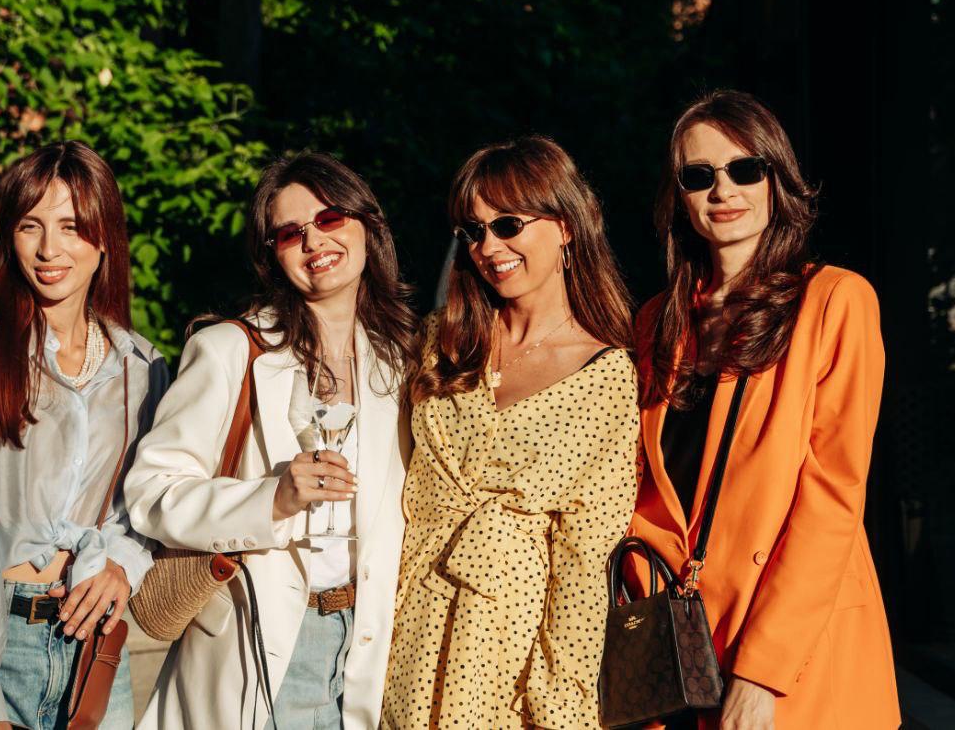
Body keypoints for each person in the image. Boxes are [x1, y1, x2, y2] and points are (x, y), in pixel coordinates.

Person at [628, 90, 899, 729]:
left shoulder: (834, 301)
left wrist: (762, 672)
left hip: (792, 651)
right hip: (682, 648)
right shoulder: (657, 322)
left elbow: (832, 497)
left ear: (777, 178)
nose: (723, 190)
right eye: (699, 176)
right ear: (679, 197)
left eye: (745, 169)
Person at [125, 152, 416, 729]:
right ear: (273, 255)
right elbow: (150, 493)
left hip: (366, 646)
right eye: (290, 233)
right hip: (257, 639)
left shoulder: (400, 360)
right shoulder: (230, 350)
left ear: (367, 225)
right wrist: (271, 500)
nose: (314, 242)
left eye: (329, 219)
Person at [0, 141, 168, 730]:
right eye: (30, 226)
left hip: (92, 646)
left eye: (71, 227)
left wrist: (122, 563)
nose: (49, 249)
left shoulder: (140, 366)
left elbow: (150, 497)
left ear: (104, 238)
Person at [383, 136, 639, 729]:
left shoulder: (605, 375)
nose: (489, 248)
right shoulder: (441, 341)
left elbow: (584, 553)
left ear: (566, 226)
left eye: (507, 225)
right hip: (409, 622)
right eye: (473, 232)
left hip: (512, 645)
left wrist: (560, 698)